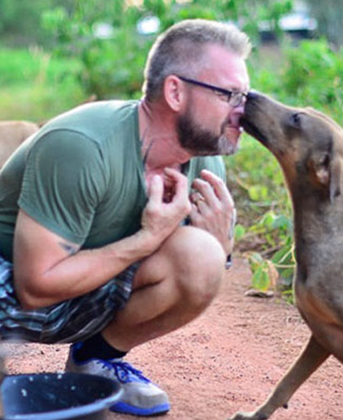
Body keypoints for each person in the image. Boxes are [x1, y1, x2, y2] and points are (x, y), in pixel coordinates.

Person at [0, 19, 250, 416]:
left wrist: (221, 250)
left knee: (203, 256)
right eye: (230, 95)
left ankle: (95, 358)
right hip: (13, 287)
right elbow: (34, 287)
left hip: (78, 289)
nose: (243, 111)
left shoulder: (203, 164)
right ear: (175, 92)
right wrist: (146, 239)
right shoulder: (82, 145)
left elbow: (191, 268)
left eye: (246, 96)